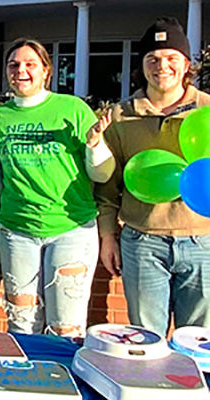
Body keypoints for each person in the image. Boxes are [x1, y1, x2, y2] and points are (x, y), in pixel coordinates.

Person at [0, 38, 113, 337]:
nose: (21, 71)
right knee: (21, 324)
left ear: (46, 71)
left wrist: (94, 144)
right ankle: (25, 380)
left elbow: (103, 174)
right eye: (14, 65)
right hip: (17, 231)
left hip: (72, 230)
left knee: (66, 328)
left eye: (30, 64)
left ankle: (61, 380)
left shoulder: (73, 109)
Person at [95, 17, 210, 338]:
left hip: (204, 242)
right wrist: (107, 237)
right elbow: (107, 187)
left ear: (186, 64)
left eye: (172, 57)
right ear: (142, 65)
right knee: (146, 341)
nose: (162, 65)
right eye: (153, 58)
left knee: (200, 345)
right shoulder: (119, 115)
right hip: (142, 242)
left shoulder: (208, 112)